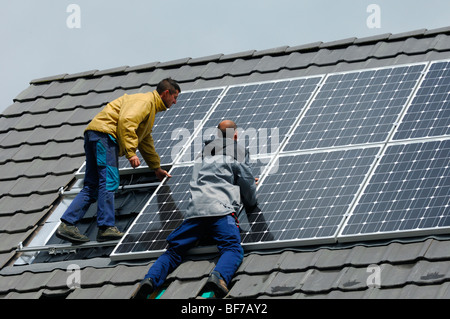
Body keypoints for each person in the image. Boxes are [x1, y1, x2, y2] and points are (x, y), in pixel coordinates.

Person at [131, 120, 258, 299]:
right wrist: (250, 184)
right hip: (221, 213)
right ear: (235, 136)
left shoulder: (202, 155)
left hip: (195, 214)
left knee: (174, 251)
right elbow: (249, 194)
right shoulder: (238, 152)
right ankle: (218, 277)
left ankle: (150, 280)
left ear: (217, 135)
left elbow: (211, 177)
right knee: (232, 249)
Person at [56, 78, 181, 244]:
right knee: (109, 180)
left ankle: (68, 224)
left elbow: (145, 140)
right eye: (174, 97)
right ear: (166, 93)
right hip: (105, 137)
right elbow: (126, 121)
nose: (175, 102)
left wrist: (156, 168)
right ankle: (106, 227)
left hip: (96, 134)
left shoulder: (149, 109)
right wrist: (131, 153)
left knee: (92, 185)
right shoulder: (145, 102)